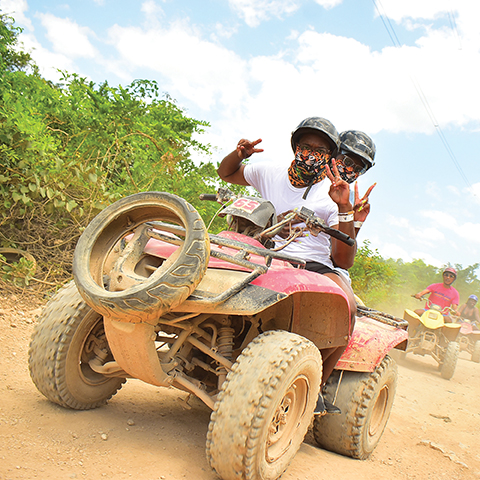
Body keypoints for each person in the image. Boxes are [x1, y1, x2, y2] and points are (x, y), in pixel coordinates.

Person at [217, 116, 357, 414]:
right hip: (264, 249)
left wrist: (344, 207)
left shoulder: (334, 192)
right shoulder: (270, 172)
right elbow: (227, 173)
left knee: (349, 307)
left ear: (330, 156)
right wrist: (238, 154)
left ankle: (316, 387)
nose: (310, 153)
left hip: (312, 264)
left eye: (320, 149)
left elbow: (343, 259)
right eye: (306, 145)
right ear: (295, 147)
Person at [332, 130, 377, 282]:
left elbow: (341, 252)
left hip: (325, 264)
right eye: (347, 162)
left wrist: (355, 222)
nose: (350, 171)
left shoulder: (350, 198)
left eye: (358, 169)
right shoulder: (308, 179)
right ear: (334, 153)